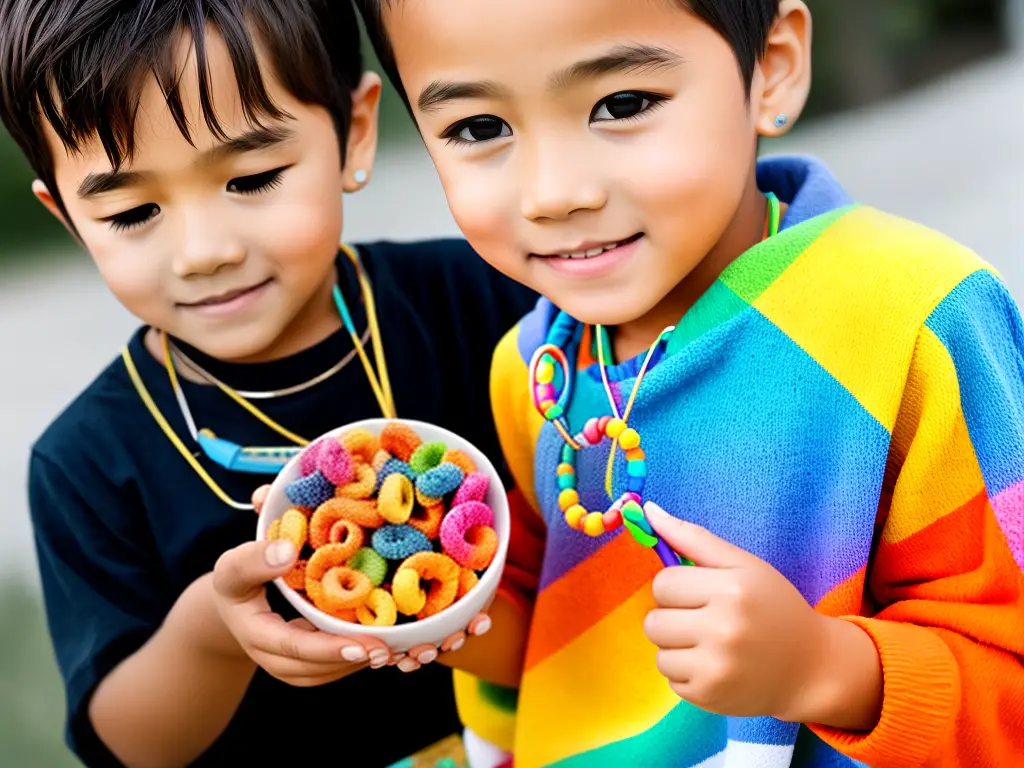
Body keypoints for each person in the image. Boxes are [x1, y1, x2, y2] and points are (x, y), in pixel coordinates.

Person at [353, 0, 1024, 765]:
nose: (553, 193)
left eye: (623, 104)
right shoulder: (531, 368)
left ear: (771, 68)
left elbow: (1008, 684)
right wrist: (428, 614)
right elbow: (556, 657)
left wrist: (823, 669)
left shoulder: (915, 318)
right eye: (479, 129)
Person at [0, 1, 537, 765]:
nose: (203, 250)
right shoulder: (88, 461)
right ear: (69, 219)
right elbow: (129, 747)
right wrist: (213, 635)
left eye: (252, 177)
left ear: (353, 134)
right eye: (132, 210)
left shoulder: (485, 298)